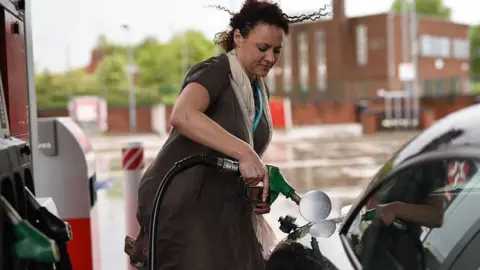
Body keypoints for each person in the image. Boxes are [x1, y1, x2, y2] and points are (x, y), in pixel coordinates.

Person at [124, 1, 329, 269]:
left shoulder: (257, 89)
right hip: (188, 213)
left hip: (229, 215)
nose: (270, 57)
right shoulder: (215, 71)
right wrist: (244, 152)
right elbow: (183, 115)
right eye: (262, 48)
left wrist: (255, 189)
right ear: (238, 38)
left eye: (277, 50)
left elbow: (233, 156)